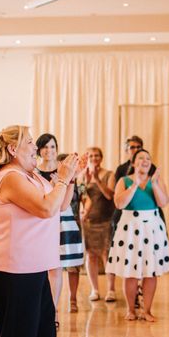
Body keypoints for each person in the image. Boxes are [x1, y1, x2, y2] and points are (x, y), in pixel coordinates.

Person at [0, 125, 82, 337]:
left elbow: (60, 204)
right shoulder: (10, 177)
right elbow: (44, 209)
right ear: (13, 149)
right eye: (29, 142)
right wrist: (62, 179)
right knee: (19, 333)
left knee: (42, 329)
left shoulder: (31, 175)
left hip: (35, 265)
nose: (35, 147)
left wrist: (70, 179)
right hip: (15, 266)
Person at [107, 149, 169, 322]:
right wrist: (134, 185)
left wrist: (156, 184)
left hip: (152, 228)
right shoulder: (124, 180)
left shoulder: (155, 180)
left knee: (151, 272)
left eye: (148, 158)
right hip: (130, 228)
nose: (145, 161)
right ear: (134, 163)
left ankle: (147, 310)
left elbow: (163, 202)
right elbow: (119, 204)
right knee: (131, 272)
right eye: (141, 158)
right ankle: (131, 310)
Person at [35, 134, 85, 318]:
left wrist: (68, 180)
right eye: (45, 147)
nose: (49, 151)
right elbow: (38, 198)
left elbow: (64, 204)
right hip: (42, 220)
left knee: (57, 267)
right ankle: (43, 307)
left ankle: (53, 310)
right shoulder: (34, 172)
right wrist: (51, 184)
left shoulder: (64, 170)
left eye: (53, 147)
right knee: (43, 267)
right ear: (39, 150)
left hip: (61, 220)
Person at [77, 147, 115, 302]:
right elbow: (82, 198)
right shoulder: (83, 176)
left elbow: (109, 195)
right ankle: (95, 290)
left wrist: (97, 179)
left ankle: (111, 290)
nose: (93, 158)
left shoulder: (109, 174)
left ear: (101, 157)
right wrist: (86, 181)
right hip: (89, 221)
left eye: (96, 155)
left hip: (105, 220)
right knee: (91, 255)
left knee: (107, 255)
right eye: (90, 155)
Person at [57, 153, 85, 313]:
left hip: (73, 224)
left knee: (73, 266)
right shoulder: (53, 179)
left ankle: (73, 299)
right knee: (54, 266)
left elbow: (85, 200)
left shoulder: (79, 183)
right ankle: (54, 301)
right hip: (54, 225)